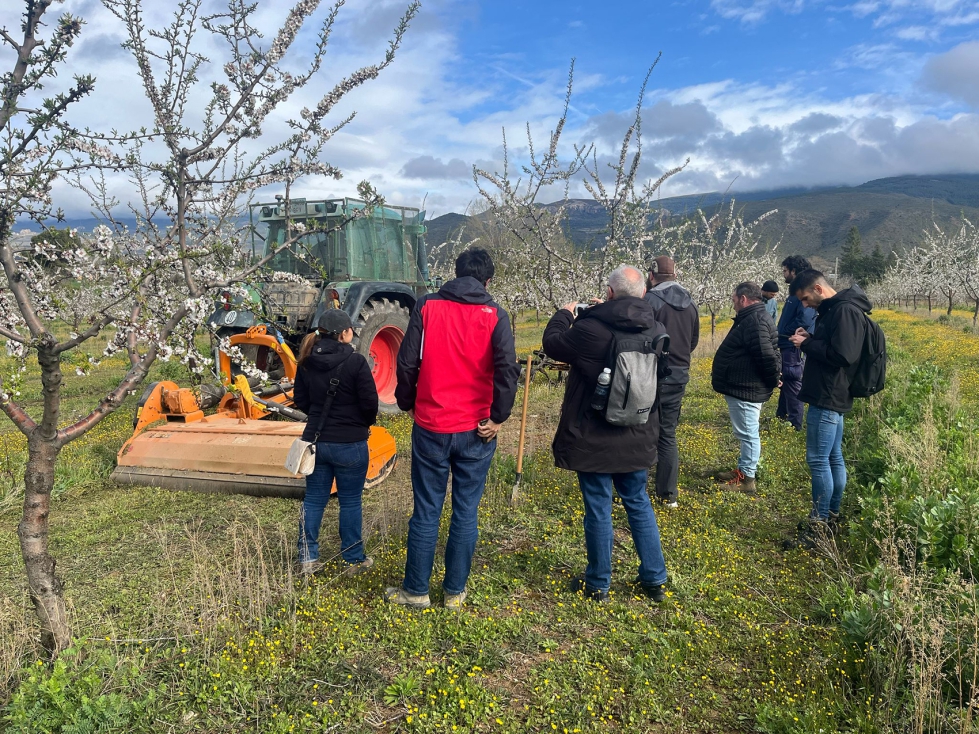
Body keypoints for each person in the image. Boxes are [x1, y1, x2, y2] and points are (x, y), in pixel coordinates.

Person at [388, 247, 519, 611]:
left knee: (427, 510)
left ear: (456, 273)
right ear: (488, 281)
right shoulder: (496, 315)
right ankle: (454, 592)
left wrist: (407, 401)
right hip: (477, 428)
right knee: (465, 511)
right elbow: (508, 369)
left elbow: (407, 361)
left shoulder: (427, 306)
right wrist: (498, 417)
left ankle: (416, 590)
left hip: (432, 425)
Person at [543, 265, 670, 603]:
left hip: (593, 436)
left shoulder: (590, 328)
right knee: (638, 502)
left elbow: (553, 344)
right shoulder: (657, 328)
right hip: (638, 432)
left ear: (610, 293)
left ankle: (599, 583)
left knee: (598, 508)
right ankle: (655, 579)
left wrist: (565, 314)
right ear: (643, 293)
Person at [787, 269, 871, 543]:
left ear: (818, 289)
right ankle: (831, 515)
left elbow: (843, 355)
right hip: (832, 394)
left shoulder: (844, 311)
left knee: (818, 460)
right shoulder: (838, 309)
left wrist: (807, 344)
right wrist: (810, 338)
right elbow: (836, 346)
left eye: (805, 298)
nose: (805, 305)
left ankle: (819, 525)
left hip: (828, 395)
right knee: (833, 457)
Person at [293, 310, 379, 576]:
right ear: (344, 333)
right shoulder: (356, 362)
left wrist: (319, 416)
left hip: (316, 441)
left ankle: (307, 558)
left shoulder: (306, 360)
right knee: (350, 501)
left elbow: (301, 400)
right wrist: (361, 423)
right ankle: (352, 559)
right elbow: (370, 404)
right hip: (350, 443)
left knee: (314, 500)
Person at [711, 282, 781, 492]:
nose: (733, 305)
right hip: (745, 385)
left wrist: (773, 379)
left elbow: (767, 356)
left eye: (734, 300)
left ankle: (747, 479)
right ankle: (742, 470)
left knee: (748, 434)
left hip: (747, 388)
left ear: (743, 299)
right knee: (745, 433)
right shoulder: (753, 318)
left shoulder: (755, 321)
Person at [644, 256, 700, 508]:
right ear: (676, 276)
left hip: (652, 374)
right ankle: (668, 495)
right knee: (667, 434)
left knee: (641, 430)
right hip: (678, 375)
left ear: (651, 276)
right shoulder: (691, 304)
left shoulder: (650, 301)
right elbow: (692, 342)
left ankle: (635, 489)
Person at [776, 256, 817, 430]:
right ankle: (781, 417)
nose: (784, 274)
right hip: (787, 344)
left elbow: (805, 319)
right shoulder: (795, 292)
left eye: (785, 270)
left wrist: (785, 331)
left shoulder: (803, 292)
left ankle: (794, 424)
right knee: (786, 380)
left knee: (792, 381)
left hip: (793, 345)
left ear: (793, 271)